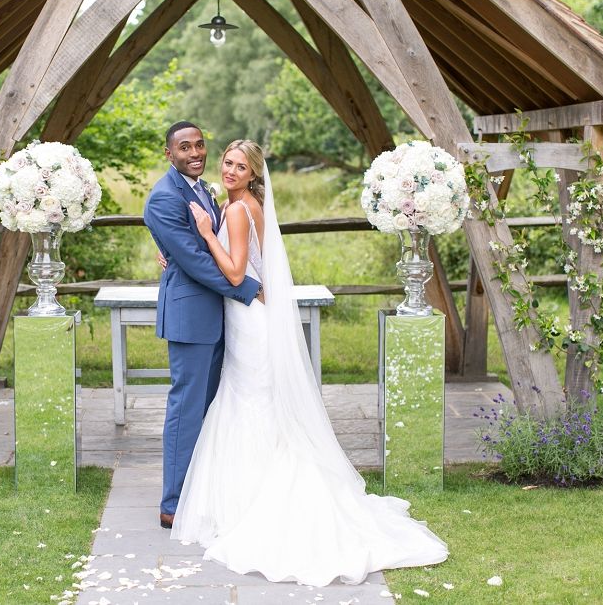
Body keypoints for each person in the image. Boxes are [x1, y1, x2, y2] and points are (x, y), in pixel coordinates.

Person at [169, 139, 447, 587]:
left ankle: (254, 501)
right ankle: (243, 497)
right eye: (227, 163)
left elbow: (238, 274)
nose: (230, 170)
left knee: (251, 405)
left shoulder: (239, 211)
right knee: (246, 404)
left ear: (255, 173)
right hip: (246, 320)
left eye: (240, 166)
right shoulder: (238, 204)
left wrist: (204, 233)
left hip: (247, 321)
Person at [143, 123, 262, 530]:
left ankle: (203, 490)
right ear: (168, 153)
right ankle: (172, 504)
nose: (195, 152)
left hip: (218, 316)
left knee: (213, 409)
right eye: (184, 147)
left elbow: (202, 243)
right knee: (187, 410)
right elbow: (194, 259)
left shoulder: (202, 189)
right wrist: (247, 288)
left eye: (199, 144)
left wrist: (169, 250)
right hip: (192, 318)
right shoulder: (163, 197)